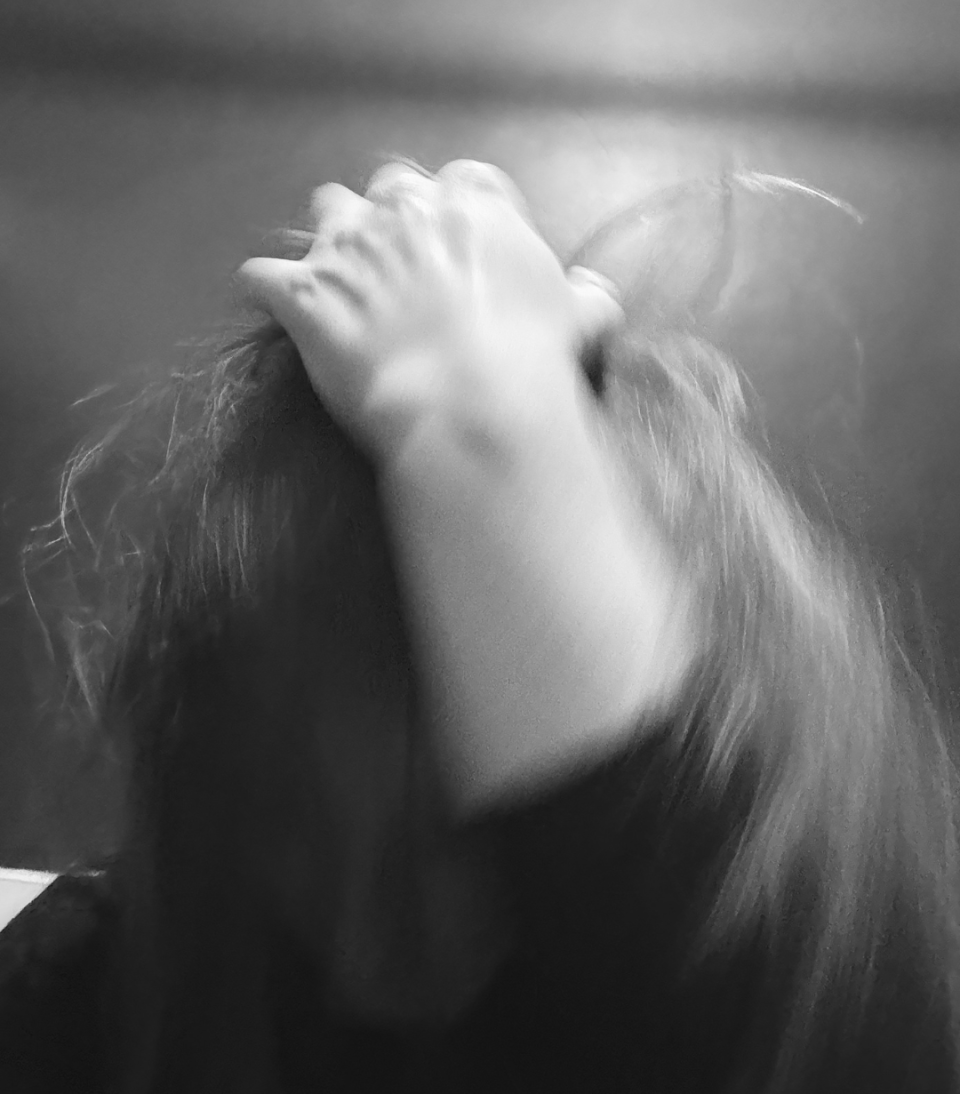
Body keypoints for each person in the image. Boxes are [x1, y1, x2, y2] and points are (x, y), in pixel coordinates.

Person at [1, 158, 958, 1093]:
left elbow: (727, 987)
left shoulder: (842, 982)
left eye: (447, 731)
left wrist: (466, 395)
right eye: (302, 757)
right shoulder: (88, 989)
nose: (390, 881)